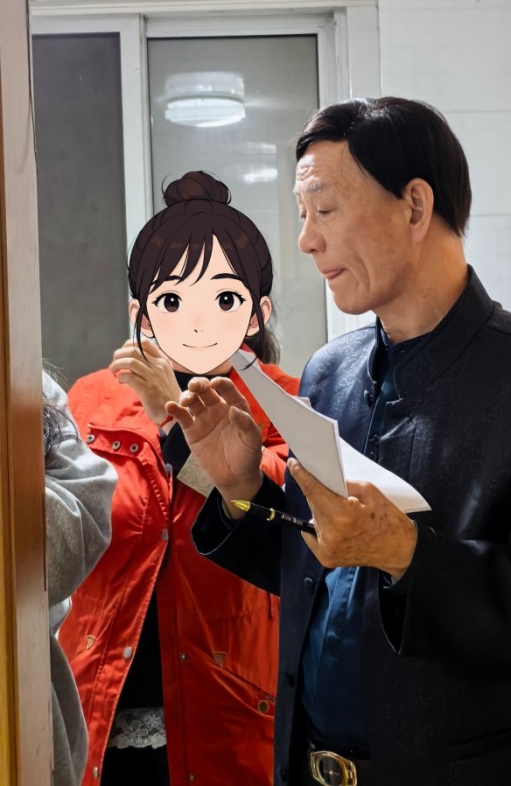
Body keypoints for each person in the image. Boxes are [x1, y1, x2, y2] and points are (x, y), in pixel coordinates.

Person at [170, 99, 511, 786]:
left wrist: (408, 555)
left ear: (416, 208)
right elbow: (320, 573)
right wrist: (242, 487)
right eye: (302, 214)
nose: (305, 240)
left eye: (324, 209)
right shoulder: (329, 373)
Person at [58, 172, 299, 786]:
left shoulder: (287, 402)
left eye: (222, 300)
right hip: (97, 711)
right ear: (139, 313)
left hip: (231, 712)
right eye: (171, 301)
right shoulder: (89, 401)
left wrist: (173, 417)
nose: (194, 321)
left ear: (255, 314)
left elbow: (272, 514)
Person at [44, 369, 117, 786]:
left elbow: (76, 539)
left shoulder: (23, 381)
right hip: (100, 661)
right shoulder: (97, 392)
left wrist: (175, 432)